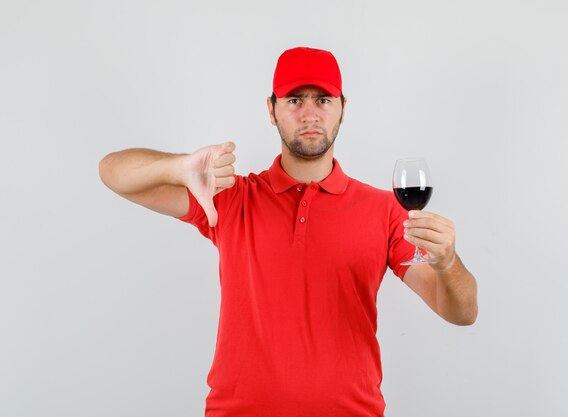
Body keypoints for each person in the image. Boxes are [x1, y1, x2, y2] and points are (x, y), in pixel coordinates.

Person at [99, 46, 478, 417]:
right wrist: (179, 167)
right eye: (295, 100)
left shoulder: (385, 211)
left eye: (324, 100)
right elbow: (113, 173)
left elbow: (462, 312)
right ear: (271, 109)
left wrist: (448, 262)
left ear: (343, 109)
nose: (310, 114)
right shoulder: (231, 199)